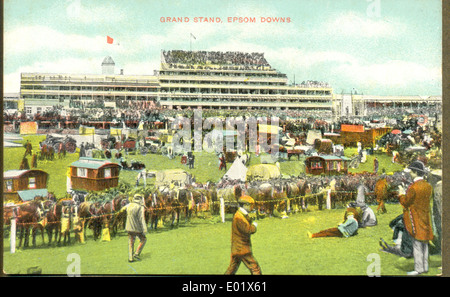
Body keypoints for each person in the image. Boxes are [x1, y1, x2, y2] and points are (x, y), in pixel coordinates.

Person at [398, 161, 433, 276]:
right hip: (425, 218)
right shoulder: (428, 186)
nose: (410, 174)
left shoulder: (413, 187)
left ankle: (419, 269)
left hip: (415, 218)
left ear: (415, 172)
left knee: (417, 245)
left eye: (411, 172)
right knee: (425, 244)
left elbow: (406, 202)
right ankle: (425, 267)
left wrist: (401, 194)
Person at [225, 195, 261, 275]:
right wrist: (254, 226)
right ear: (245, 205)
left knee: (232, 269)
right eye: (250, 205)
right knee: (255, 267)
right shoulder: (239, 217)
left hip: (237, 248)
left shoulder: (241, 214)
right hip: (242, 248)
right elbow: (247, 230)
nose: (252, 207)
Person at [123, 194, 148, 262]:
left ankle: (130, 258)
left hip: (129, 227)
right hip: (137, 228)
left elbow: (122, 209)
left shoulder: (129, 205)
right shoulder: (140, 207)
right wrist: (144, 229)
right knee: (143, 239)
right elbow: (142, 219)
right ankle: (136, 253)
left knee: (131, 242)